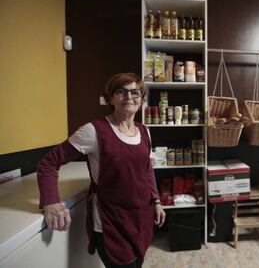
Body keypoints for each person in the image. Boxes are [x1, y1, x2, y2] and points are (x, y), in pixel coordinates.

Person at [37, 73, 166, 268]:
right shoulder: (94, 131)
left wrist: (156, 200)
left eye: (135, 92)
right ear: (110, 98)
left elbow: (147, 170)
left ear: (142, 98)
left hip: (140, 217)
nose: (129, 97)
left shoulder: (144, 131)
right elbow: (48, 163)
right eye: (121, 92)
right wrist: (50, 201)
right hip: (111, 222)